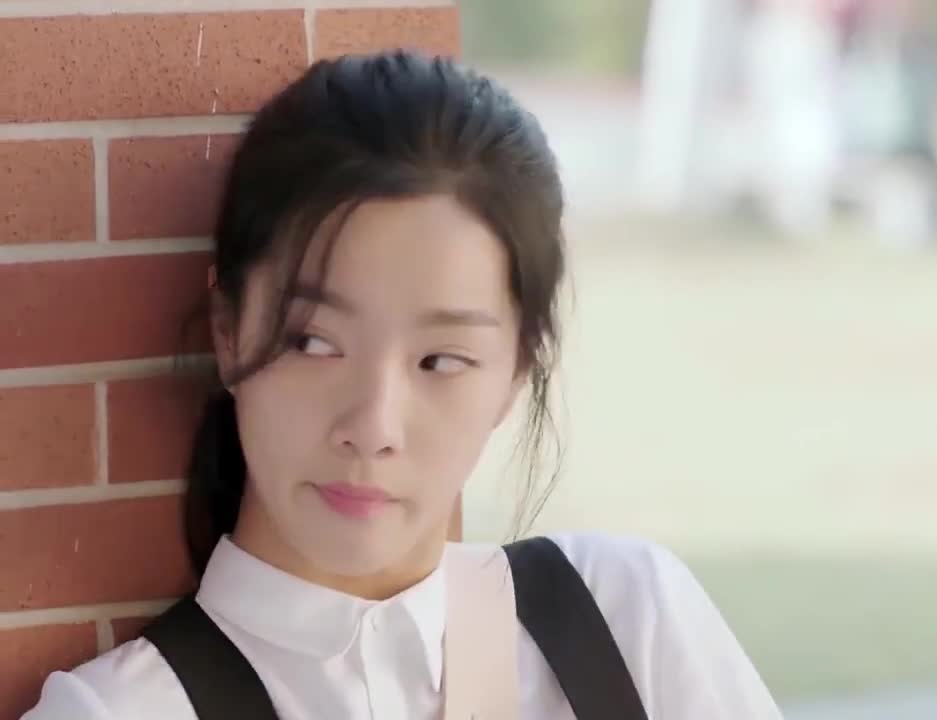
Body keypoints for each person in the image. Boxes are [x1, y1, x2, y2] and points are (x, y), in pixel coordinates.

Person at [21, 51, 781, 720]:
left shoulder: (624, 618)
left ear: (516, 372)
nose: (373, 427)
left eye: (440, 361)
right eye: (313, 341)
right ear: (228, 330)